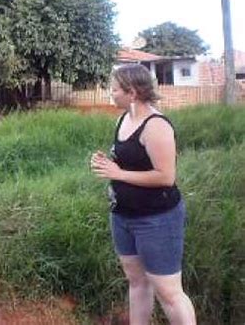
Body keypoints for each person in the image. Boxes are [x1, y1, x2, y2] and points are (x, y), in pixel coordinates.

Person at [90, 64, 196, 324]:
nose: (110, 94)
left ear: (133, 92)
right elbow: (127, 159)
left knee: (168, 292)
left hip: (157, 219)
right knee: (137, 282)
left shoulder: (156, 126)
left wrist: (119, 174)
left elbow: (166, 177)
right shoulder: (123, 119)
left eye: (114, 90)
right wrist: (107, 163)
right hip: (123, 216)